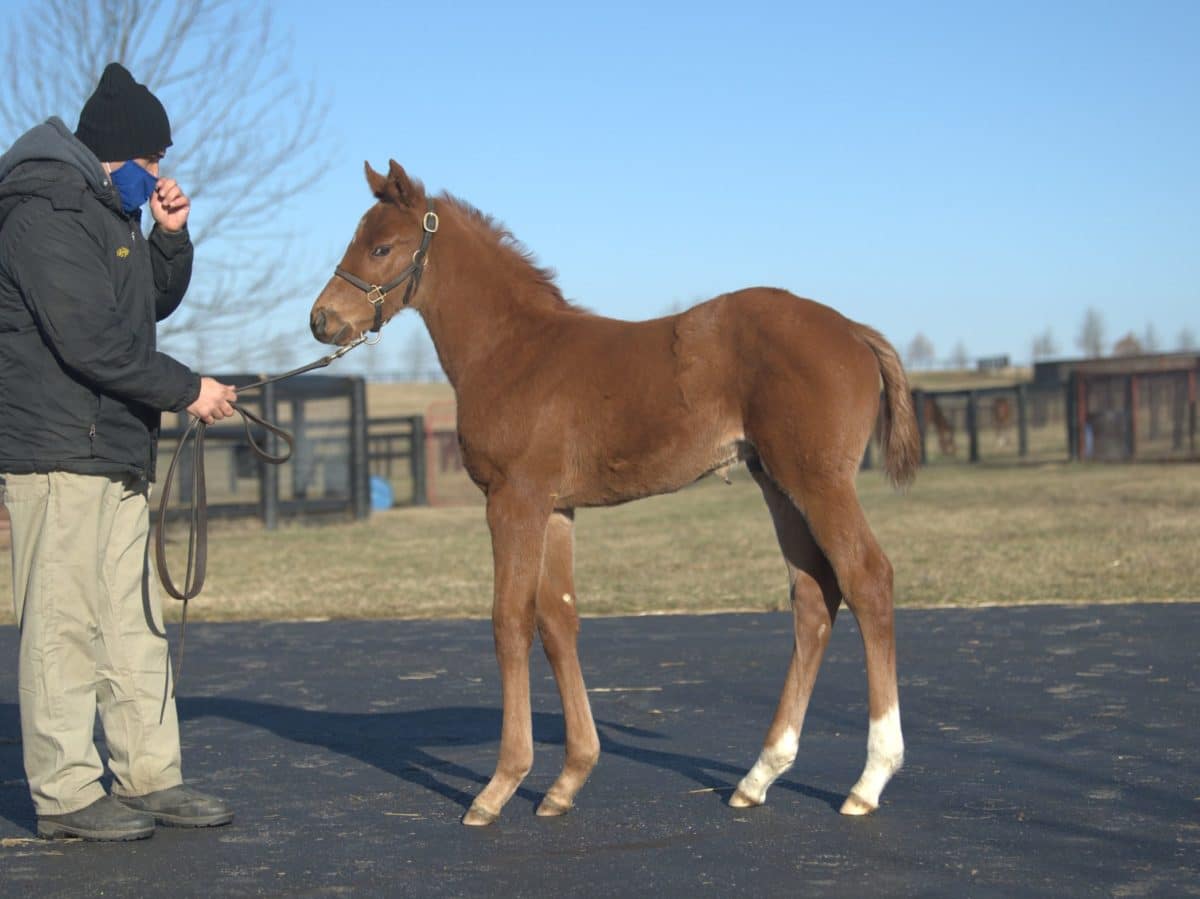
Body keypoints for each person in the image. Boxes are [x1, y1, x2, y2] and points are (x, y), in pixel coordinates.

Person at [0, 62, 238, 841]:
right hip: (59, 449)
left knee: (131, 621)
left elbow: (143, 311)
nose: (161, 173)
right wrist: (187, 389)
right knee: (64, 624)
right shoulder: (44, 211)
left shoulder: (109, 214)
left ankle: (148, 777)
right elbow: (91, 341)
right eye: (154, 160)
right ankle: (67, 794)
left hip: (113, 447)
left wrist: (171, 240)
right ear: (119, 151)